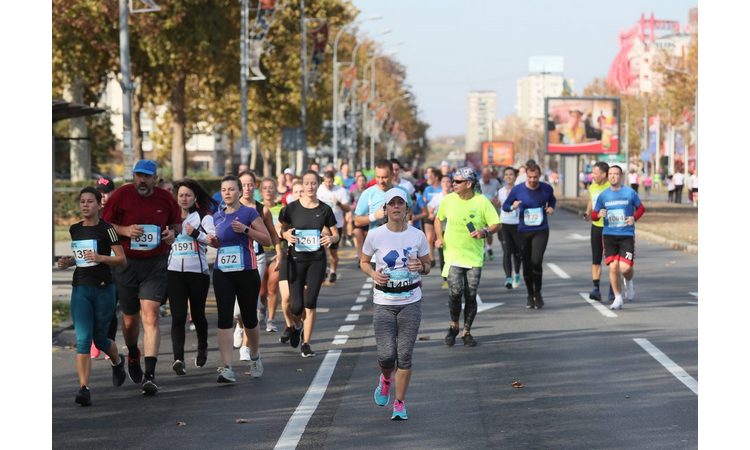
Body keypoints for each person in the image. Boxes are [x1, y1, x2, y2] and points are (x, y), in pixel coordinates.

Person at [102, 160, 181, 395]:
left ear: (155, 178)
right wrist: (125, 231)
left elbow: (176, 224)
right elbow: (104, 225)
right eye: (139, 176)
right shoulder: (121, 195)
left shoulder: (165, 198)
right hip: (126, 262)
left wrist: (171, 233)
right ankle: (133, 352)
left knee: (151, 314)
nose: (142, 180)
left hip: (155, 263)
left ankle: (151, 374)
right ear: (134, 176)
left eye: (147, 176)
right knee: (129, 319)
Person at [359, 188, 432, 421]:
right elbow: (363, 261)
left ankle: (399, 403)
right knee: (387, 355)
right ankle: (385, 379)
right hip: (383, 301)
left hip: (411, 301)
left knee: (405, 355)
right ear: (386, 209)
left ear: (407, 208)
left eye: (401, 203)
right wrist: (373, 274)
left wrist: (421, 267)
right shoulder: (375, 236)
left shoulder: (417, 236)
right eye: (392, 204)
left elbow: (429, 265)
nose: (397, 207)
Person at [57, 187, 128, 406]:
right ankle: (83, 388)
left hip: (104, 289)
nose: (85, 205)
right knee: (83, 339)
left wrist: (100, 257)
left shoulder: (108, 230)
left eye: (90, 201)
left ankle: (117, 362)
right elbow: (79, 257)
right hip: (81, 288)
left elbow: (122, 259)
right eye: (82, 202)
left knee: (100, 339)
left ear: (99, 205)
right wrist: (67, 262)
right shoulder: (74, 229)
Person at [206, 175, 271, 382]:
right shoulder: (217, 216)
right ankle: (226, 367)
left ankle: (254, 355)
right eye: (224, 189)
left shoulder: (249, 213)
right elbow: (220, 244)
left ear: (239, 192)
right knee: (224, 318)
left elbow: (267, 239)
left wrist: (246, 230)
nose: (227, 193)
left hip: (246, 271)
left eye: (231, 189)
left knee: (249, 317)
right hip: (222, 272)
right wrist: (213, 241)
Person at [434, 167, 500, 346]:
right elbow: (438, 219)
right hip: (453, 254)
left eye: (457, 182)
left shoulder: (482, 202)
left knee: (470, 295)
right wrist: (439, 238)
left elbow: (496, 223)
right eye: (453, 181)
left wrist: (484, 231)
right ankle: (454, 325)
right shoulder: (448, 200)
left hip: (473, 256)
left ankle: (466, 332)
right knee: (455, 292)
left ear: (469, 184)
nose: (453, 184)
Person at [279, 171, 339, 357]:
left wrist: (330, 238)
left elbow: (336, 234)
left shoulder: (324, 209)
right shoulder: (291, 208)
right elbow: (281, 228)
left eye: (314, 183)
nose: (310, 187)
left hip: (316, 261)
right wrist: (285, 235)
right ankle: (297, 325)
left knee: (310, 303)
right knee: (295, 306)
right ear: (302, 186)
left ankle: (306, 343)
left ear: (318, 185)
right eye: (307, 183)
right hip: (295, 261)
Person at [167, 179, 218, 375]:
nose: (184, 198)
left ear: (195, 197)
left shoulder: (204, 217)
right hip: (174, 272)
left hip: (197, 273)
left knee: (197, 315)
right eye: (181, 195)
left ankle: (202, 345)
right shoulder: (170, 218)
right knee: (178, 316)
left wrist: (195, 233)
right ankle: (178, 359)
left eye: (188, 195)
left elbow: (214, 241)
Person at [502, 163, 556, 310]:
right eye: (530, 177)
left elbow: (552, 200)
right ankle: (529, 294)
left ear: (539, 175)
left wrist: (551, 207)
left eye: (535, 177)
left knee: (536, 261)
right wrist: (513, 206)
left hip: (541, 230)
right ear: (526, 175)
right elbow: (505, 206)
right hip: (523, 231)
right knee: (526, 263)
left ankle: (538, 294)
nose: (533, 180)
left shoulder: (546, 188)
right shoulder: (518, 190)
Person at [591, 165, 645, 310]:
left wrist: (634, 217)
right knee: (613, 267)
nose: (613, 176)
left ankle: (629, 280)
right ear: (608, 176)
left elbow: (641, 208)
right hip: (609, 235)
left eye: (616, 174)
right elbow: (593, 215)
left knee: (625, 268)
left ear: (621, 176)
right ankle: (618, 297)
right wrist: (598, 215)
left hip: (626, 235)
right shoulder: (603, 195)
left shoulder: (629, 193)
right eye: (610, 174)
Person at [92, 176, 118, 359]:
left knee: (109, 306)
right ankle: (95, 340)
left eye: (106, 192)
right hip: (93, 266)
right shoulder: (91, 211)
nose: (102, 196)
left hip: (113, 265)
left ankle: (108, 341)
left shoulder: (117, 212)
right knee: (93, 305)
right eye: (99, 192)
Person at [582, 162, 615, 303]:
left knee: (612, 260)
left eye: (595, 173)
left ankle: (613, 289)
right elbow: (591, 200)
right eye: (592, 173)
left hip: (611, 227)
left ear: (604, 174)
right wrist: (587, 211)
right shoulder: (593, 186)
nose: (592, 176)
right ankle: (596, 289)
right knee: (596, 259)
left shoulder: (612, 188)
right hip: (596, 226)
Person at [278, 180, 303, 345]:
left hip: (307, 260)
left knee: (299, 302)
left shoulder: (313, 211)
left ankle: (299, 324)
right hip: (288, 258)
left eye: (302, 191)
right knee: (286, 298)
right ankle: (291, 325)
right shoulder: (286, 211)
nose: (299, 194)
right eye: (296, 192)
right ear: (291, 194)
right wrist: (284, 234)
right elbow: (278, 229)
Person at [354, 159, 411, 232]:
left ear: (392, 175)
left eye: (384, 177)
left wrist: (406, 217)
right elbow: (357, 221)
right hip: (377, 240)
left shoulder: (403, 192)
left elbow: (410, 212)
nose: (380, 181)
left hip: (399, 239)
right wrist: (374, 216)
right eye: (378, 177)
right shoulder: (368, 193)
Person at [317, 170, 351, 283]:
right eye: (326, 182)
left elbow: (348, 209)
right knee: (321, 248)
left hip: (336, 224)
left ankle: (333, 271)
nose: (328, 184)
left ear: (333, 180)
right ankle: (324, 269)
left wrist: (339, 203)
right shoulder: (319, 189)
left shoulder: (341, 191)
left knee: (333, 251)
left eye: (330, 182)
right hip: (322, 224)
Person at [497, 167, 522, 289]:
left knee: (517, 252)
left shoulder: (519, 191)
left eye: (511, 174)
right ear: (503, 177)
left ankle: (516, 273)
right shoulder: (500, 191)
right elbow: (498, 206)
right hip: (504, 224)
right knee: (507, 251)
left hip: (517, 224)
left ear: (515, 177)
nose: (508, 177)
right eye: (506, 174)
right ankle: (508, 277)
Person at [427, 172, 453, 289]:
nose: (446, 184)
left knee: (454, 255)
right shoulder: (437, 197)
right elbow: (430, 212)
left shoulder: (456, 197)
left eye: (448, 182)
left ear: (451, 184)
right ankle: (446, 279)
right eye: (444, 182)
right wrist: (433, 215)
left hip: (454, 230)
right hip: (441, 230)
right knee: (443, 256)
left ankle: (456, 277)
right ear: (441, 184)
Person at [479, 167, 502, 260]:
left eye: (488, 176)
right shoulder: (478, 183)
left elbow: (500, 192)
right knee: (482, 230)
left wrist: (497, 199)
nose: (486, 178)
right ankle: (483, 250)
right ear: (482, 175)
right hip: (481, 210)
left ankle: (489, 247)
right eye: (484, 176)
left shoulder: (495, 182)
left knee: (489, 231)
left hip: (493, 210)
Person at [348, 174, 368, 258]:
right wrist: (349, 212)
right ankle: (360, 259)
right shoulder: (353, 192)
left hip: (367, 219)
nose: (361, 182)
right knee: (359, 240)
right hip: (357, 219)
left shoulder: (369, 192)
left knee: (367, 241)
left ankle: (367, 259)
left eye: (363, 180)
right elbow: (349, 204)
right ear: (356, 182)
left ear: (366, 182)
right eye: (360, 180)